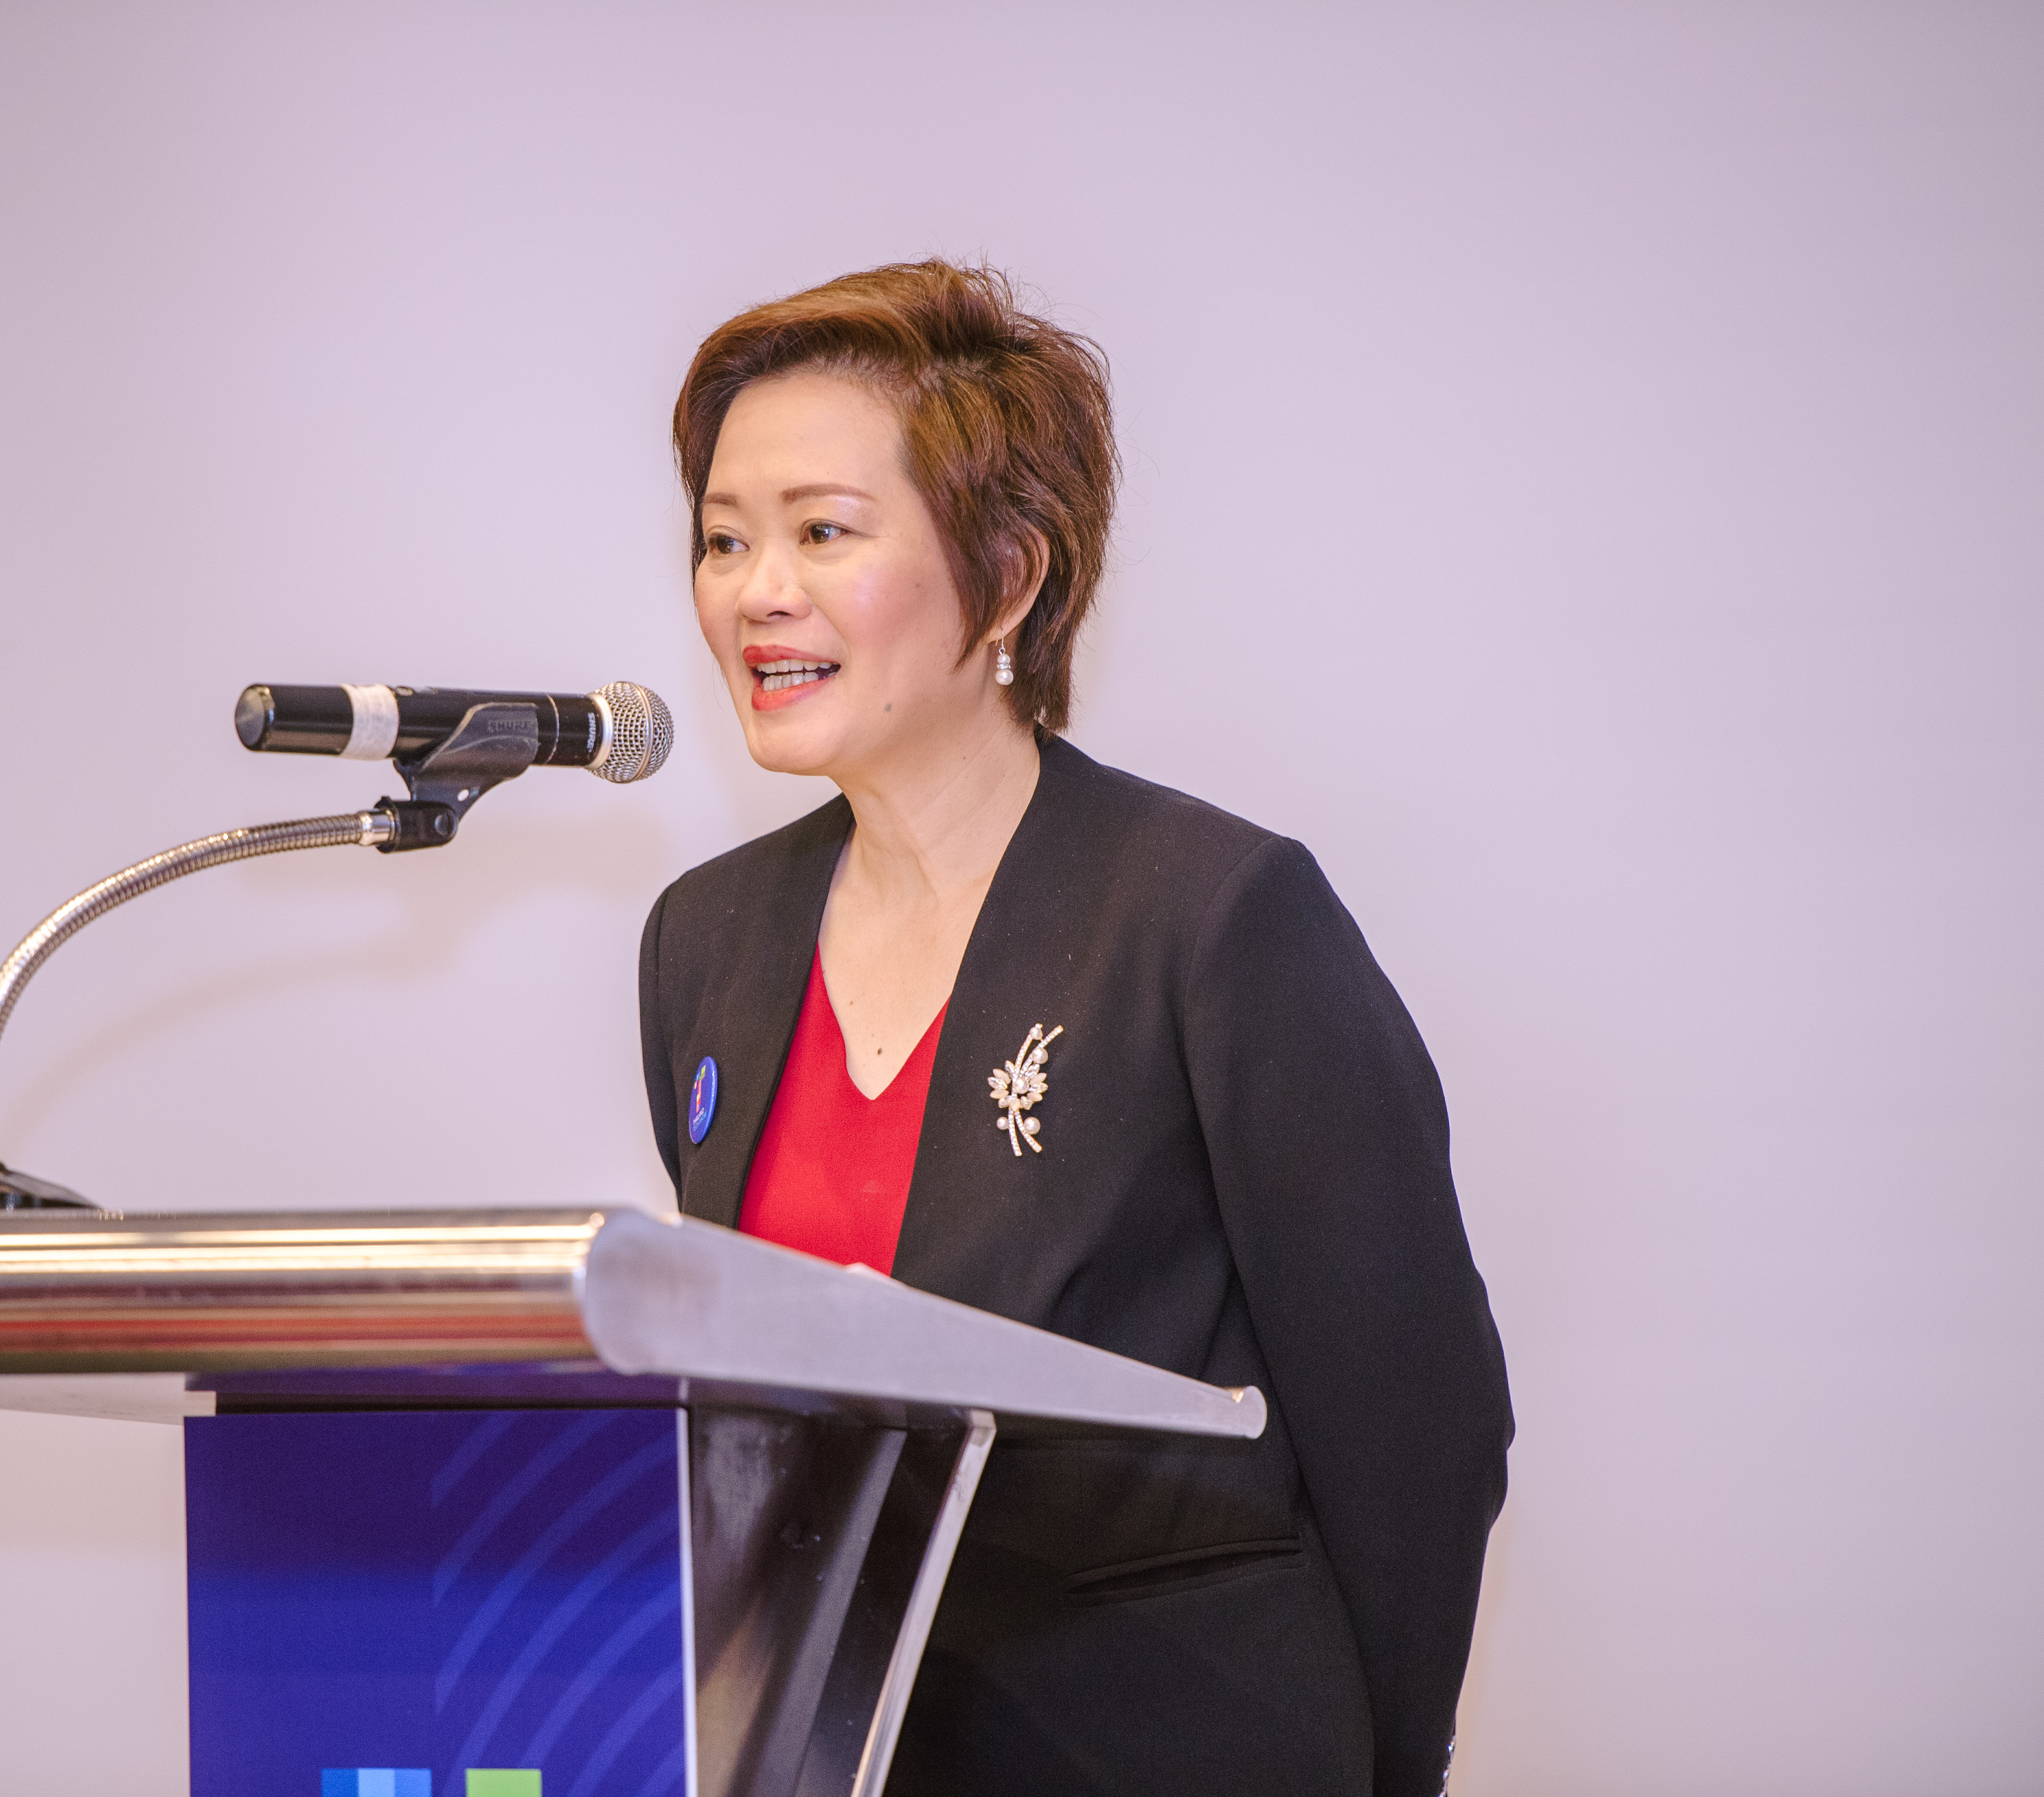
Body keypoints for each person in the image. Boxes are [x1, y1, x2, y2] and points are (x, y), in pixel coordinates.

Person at [636, 261, 1513, 1797]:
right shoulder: (707, 939)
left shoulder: (1210, 916)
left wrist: (1386, 1771)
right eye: (724, 538)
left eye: (822, 531)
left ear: (1010, 576)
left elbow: (1417, 1428)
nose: (756, 590)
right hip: (831, 1753)